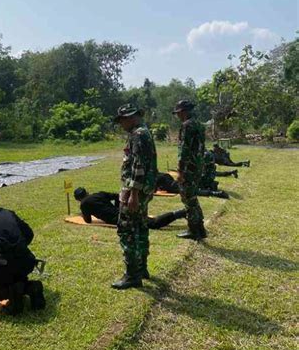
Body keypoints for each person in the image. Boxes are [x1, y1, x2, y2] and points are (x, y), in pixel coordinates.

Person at [112, 104, 157, 289]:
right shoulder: (144, 132)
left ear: (130, 117)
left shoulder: (138, 135)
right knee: (140, 226)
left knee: (127, 229)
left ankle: (132, 275)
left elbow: (138, 164)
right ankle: (141, 268)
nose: (121, 124)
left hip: (136, 190)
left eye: (122, 120)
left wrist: (133, 194)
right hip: (144, 188)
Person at [173, 100, 208, 240]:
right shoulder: (199, 124)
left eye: (178, 113)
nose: (177, 116)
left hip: (189, 167)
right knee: (192, 197)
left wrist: (180, 171)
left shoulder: (187, 125)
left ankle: (194, 230)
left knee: (188, 198)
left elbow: (184, 150)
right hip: (197, 165)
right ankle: (200, 228)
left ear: (183, 111)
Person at [73, 187, 187, 229]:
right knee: (148, 221)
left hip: (118, 219)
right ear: (87, 192)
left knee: (152, 223)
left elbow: (88, 220)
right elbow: (118, 196)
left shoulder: (83, 205)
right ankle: (180, 213)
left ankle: (180, 213)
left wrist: (85, 213)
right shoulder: (98, 194)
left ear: (78, 199)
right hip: (123, 211)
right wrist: (119, 207)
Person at [155, 171, 229, 199]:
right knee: (193, 186)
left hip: (173, 187)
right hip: (176, 182)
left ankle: (215, 193)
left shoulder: (155, 178)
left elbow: (153, 189)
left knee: (193, 191)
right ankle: (212, 186)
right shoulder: (164, 174)